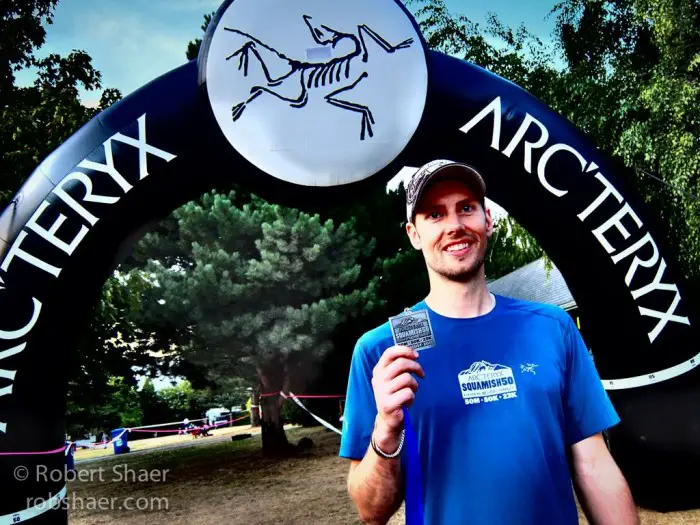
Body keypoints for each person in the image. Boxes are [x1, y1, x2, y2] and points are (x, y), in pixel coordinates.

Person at [339, 160, 640, 525]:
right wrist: (385, 429)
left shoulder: (552, 327)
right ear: (413, 234)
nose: (454, 226)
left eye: (466, 208)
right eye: (435, 214)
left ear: (488, 220)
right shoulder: (382, 350)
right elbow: (371, 511)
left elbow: (593, 463)